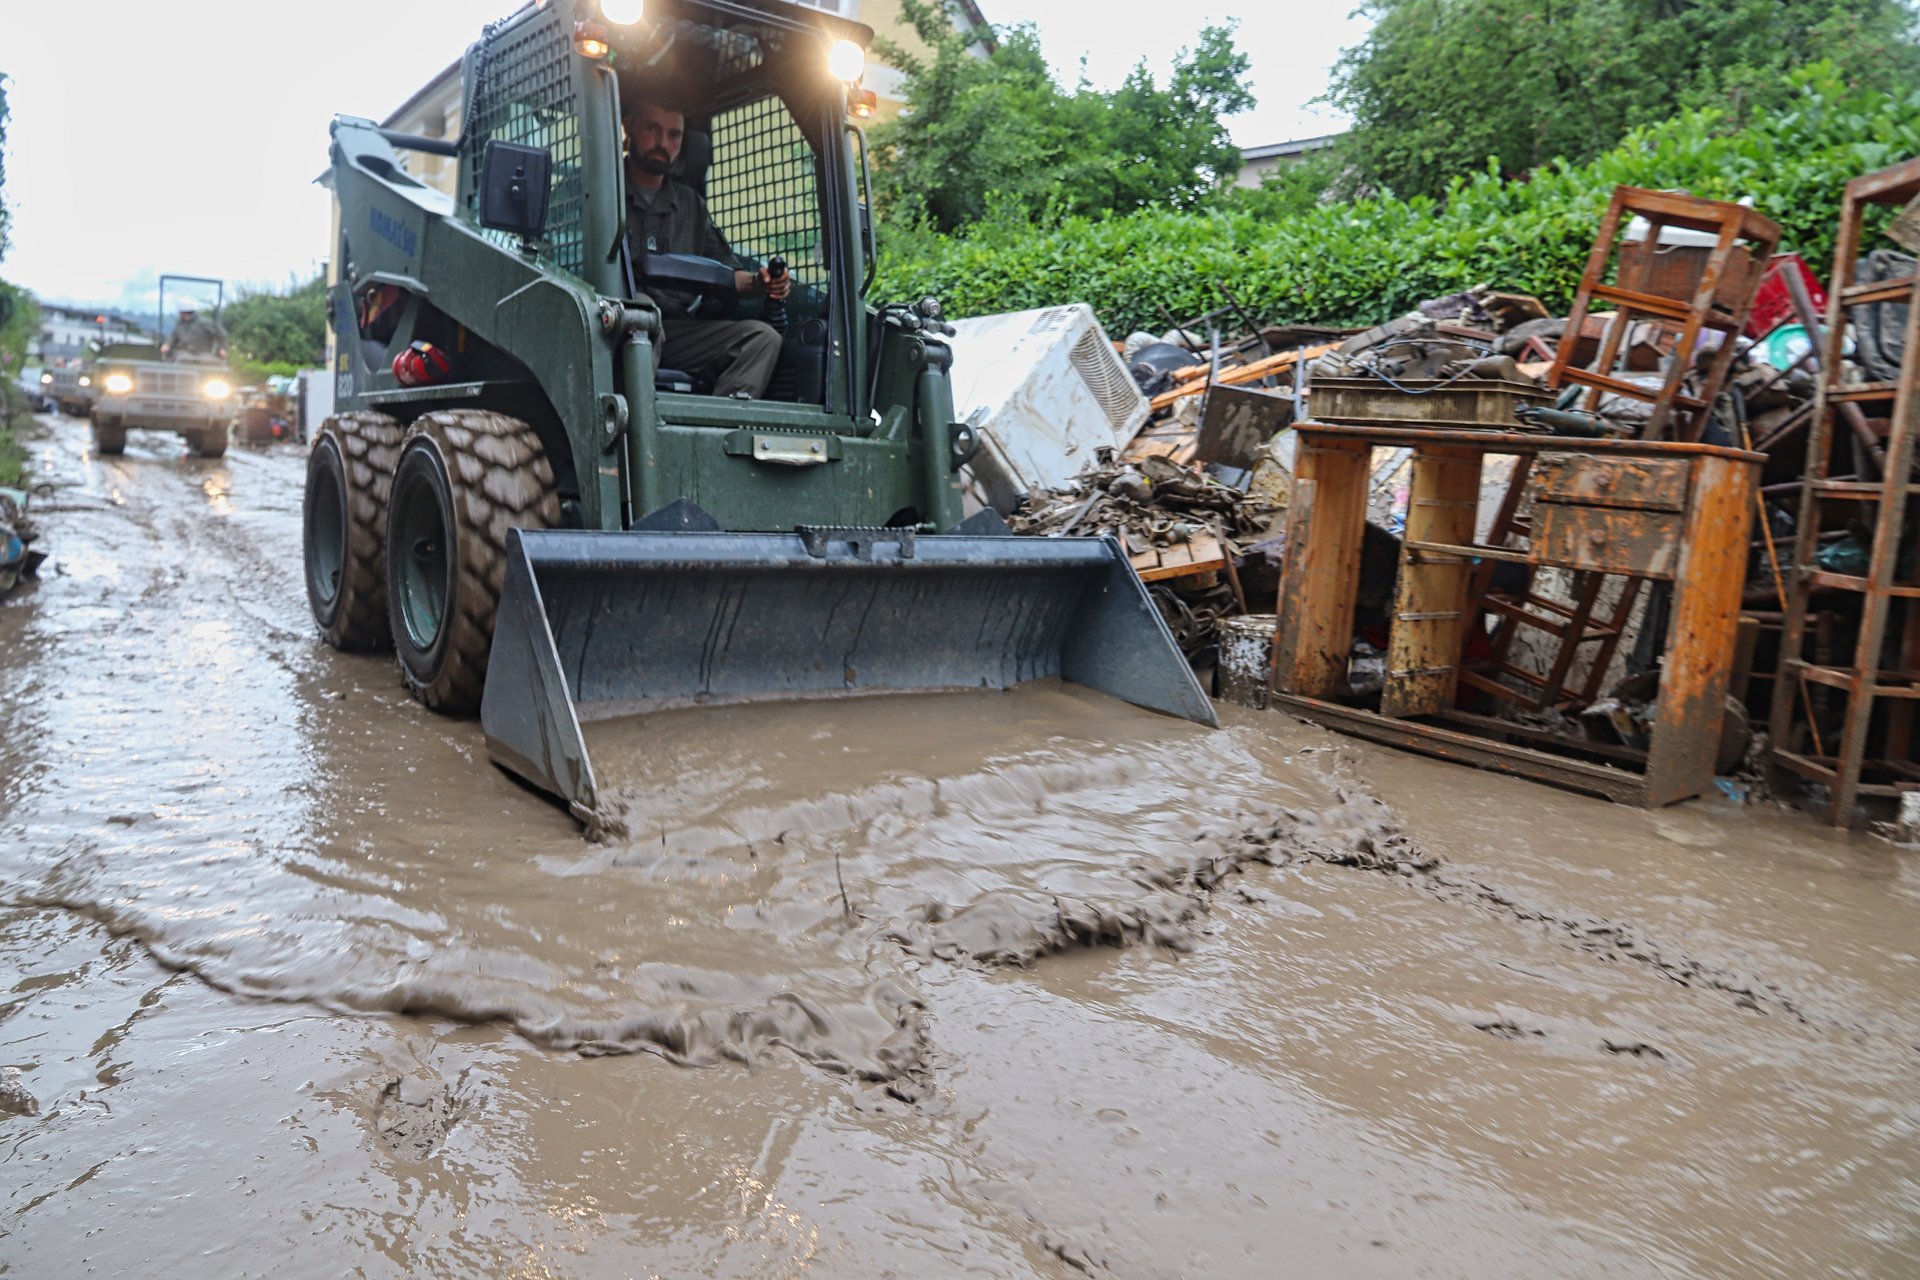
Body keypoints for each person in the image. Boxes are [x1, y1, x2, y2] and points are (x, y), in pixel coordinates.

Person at [622, 99, 790, 399]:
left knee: (762, 338)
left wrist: (760, 282)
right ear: (629, 127)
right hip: (613, 327)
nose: (663, 143)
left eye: (674, 135)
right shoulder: (602, 189)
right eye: (652, 129)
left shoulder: (691, 205)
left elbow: (728, 273)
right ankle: (632, 428)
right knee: (643, 310)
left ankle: (717, 437)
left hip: (679, 331)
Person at [163, 302, 227, 361]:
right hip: (183, 353)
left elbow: (221, 334)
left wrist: (222, 348)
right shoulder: (180, 325)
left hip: (204, 354)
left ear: (183, 313)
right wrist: (167, 345)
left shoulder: (205, 323)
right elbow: (173, 338)